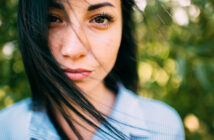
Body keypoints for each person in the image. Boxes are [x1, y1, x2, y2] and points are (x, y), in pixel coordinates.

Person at [0, 0, 185, 139]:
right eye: (53, 18)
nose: (73, 50)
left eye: (100, 19)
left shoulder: (163, 127)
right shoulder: (7, 128)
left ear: (123, 26)